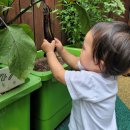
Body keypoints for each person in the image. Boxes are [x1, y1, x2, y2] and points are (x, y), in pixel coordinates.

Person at [41, 21, 130, 130]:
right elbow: (75, 62)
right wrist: (62, 50)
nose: (81, 51)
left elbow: (59, 74)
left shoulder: (91, 81)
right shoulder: (107, 71)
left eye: (83, 48)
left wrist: (50, 52)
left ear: (100, 63)